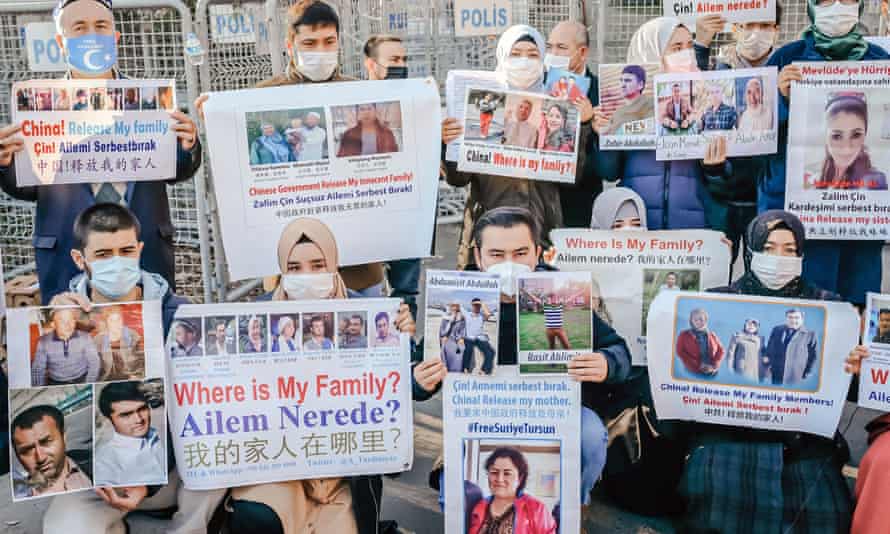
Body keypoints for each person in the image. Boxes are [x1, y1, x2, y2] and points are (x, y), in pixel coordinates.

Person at [224, 215, 427, 534]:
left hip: (340, 474)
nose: (307, 276)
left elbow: (405, 385)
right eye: (294, 268)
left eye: (318, 265)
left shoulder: (370, 316)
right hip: (279, 464)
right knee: (260, 517)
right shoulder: (253, 319)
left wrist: (405, 346)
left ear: (335, 265)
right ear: (281, 271)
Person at [0, 0, 202, 303]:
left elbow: (174, 169)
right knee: (74, 340)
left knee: (150, 340)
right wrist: (5, 163)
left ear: (115, 37)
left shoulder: (150, 100)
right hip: (68, 248)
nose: (91, 35)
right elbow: (27, 186)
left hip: (142, 246)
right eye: (79, 28)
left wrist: (188, 146)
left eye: (101, 26)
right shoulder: (39, 107)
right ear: (61, 42)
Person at [43, 202, 223, 534]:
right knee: (66, 528)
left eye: (126, 251)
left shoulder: (180, 316)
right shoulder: (56, 320)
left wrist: (149, 482)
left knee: (219, 456)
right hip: (97, 481)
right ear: (79, 260)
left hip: (173, 470)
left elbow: (207, 410)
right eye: (103, 254)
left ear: (140, 250)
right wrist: (41, 332)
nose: (117, 262)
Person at [677, 210, 856, 533]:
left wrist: (853, 366)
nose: (779, 258)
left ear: (802, 254)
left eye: (790, 250)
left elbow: (835, 380)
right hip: (729, 436)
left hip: (803, 442)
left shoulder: (828, 306)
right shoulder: (719, 301)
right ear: (752, 251)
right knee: (716, 503)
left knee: (825, 514)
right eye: (770, 247)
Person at [762, 0, 889, 304]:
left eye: (846, 0)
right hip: (796, 214)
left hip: (861, 225)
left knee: (853, 310)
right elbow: (756, 139)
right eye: (826, 0)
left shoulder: (881, 62)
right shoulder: (786, 59)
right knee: (798, 307)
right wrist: (780, 100)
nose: (837, 7)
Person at [441, 25, 564, 269]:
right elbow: (458, 179)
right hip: (487, 231)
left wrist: (574, 127)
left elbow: (574, 172)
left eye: (532, 54)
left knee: (535, 304)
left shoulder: (557, 107)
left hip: (540, 230)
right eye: (515, 54)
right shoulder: (482, 103)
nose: (524, 61)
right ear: (502, 57)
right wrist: (449, 143)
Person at [592, 17, 729, 230]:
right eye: (676, 47)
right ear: (651, 51)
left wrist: (715, 168)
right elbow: (609, 172)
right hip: (638, 227)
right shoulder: (626, 104)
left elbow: (721, 181)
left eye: (689, 46)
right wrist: (604, 135)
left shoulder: (706, 92)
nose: (686, 53)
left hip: (693, 231)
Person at [544, 20, 601, 227]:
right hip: (542, 200)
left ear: (582, 52)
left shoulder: (600, 91)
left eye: (561, 48)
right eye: (549, 47)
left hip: (581, 203)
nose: (553, 53)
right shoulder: (539, 85)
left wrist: (588, 123)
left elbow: (605, 162)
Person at [467, 447, 556, 534]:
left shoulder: (536, 509)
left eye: (507, 473)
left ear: (520, 478)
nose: (500, 479)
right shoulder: (479, 506)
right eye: (494, 472)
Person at [11, 405, 92, 499]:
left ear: (63, 437)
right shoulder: (21, 497)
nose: (40, 458)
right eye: (28, 450)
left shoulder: (94, 463)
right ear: (17, 456)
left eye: (46, 442)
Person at [93, 381, 165, 487]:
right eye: (126, 415)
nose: (138, 419)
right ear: (109, 419)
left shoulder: (155, 435)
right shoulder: (104, 465)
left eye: (142, 409)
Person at [811, 93, 887, 190]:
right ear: (825, 136)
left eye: (856, 135)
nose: (847, 148)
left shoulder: (875, 180)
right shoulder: (815, 178)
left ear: (865, 135)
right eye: (837, 136)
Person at [31, 308, 100, 386]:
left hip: (82, 377)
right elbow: (38, 370)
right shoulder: (44, 342)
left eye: (71, 320)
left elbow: (95, 363)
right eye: (62, 320)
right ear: (53, 324)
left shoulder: (85, 337)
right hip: (56, 382)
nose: (68, 324)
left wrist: (88, 383)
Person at [712, 4, 783, 69]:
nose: (756, 33)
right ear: (735, 30)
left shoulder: (786, 62)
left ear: (776, 31)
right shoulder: (718, 67)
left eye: (765, 25)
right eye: (749, 25)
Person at [764, 308, 819, 385]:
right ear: (786, 318)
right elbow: (769, 348)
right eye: (790, 317)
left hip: (795, 375)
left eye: (796, 318)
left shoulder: (810, 335)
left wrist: (807, 372)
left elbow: (813, 356)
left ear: (802, 319)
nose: (793, 320)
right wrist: (767, 367)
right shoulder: (777, 330)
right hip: (776, 373)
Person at [94, 305, 143, 381]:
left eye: (118, 319)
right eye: (112, 320)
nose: (116, 323)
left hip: (129, 376)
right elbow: (96, 364)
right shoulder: (98, 339)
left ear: (122, 320)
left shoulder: (133, 335)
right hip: (106, 377)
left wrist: (136, 376)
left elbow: (141, 361)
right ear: (106, 322)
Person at [603, 65, 652, 135]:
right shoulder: (617, 112)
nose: (622, 85)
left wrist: (618, 130)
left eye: (627, 81)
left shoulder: (650, 104)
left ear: (640, 85)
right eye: (621, 80)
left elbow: (651, 127)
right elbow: (606, 131)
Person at [675, 308, 724, 376]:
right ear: (691, 321)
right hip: (692, 372)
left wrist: (714, 365)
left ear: (705, 320)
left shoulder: (712, 335)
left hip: (712, 372)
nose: (698, 322)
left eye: (701, 319)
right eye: (695, 320)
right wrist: (698, 365)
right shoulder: (684, 335)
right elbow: (680, 352)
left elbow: (721, 350)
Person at [463, 298, 496, 374]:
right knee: (468, 350)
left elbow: (488, 314)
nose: (477, 306)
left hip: (480, 338)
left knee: (491, 352)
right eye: (475, 305)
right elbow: (457, 306)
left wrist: (482, 303)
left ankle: (483, 370)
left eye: (478, 305)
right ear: (471, 305)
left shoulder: (482, 316)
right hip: (469, 338)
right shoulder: (467, 314)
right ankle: (465, 369)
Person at [439, 302, 466, 372]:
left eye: (456, 306)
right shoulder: (445, 318)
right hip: (448, 339)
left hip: (457, 340)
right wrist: (450, 322)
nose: (454, 308)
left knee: (460, 351)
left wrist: (461, 338)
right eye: (452, 306)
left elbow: (463, 330)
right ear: (450, 307)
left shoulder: (462, 318)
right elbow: (442, 332)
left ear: (458, 308)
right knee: (447, 349)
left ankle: (457, 371)